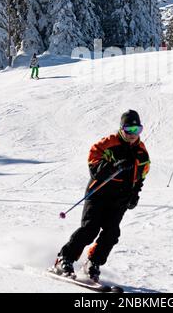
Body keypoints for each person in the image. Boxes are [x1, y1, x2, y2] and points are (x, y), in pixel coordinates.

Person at [53, 110, 150, 281]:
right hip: (99, 192)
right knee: (90, 229)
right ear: (121, 129)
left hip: (121, 197)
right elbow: (94, 163)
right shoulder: (108, 143)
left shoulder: (142, 152)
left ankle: (92, 262)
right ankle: (64, 258)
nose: (133, 135)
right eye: (129, 130)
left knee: (112, 233)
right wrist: (112, 167)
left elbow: (140, 176)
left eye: (137, 130)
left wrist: (134, 194)